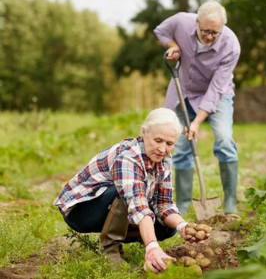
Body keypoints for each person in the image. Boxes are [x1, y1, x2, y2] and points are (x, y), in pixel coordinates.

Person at [53, 108, 210, 273]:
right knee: (124, 193)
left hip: (113, 206)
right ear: (144, 132)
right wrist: (152, 246)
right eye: (158, 140)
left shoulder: (164, 160)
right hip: (80, 211)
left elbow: (163, 203)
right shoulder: (128, 156)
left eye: (169, 144)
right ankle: (109, 250)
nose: (163, 149)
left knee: (167, 227)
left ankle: (141, 240)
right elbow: (138, 204)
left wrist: (182, 226)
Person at [153, 1, 241, 218]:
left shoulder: (231, 45)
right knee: (182, 144)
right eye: (205, 31)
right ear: (196, 22)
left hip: (217, 95)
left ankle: (230, 201)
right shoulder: (181, 21)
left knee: (224, 139)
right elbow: (161, 31)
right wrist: (173, 46)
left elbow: (216, 89)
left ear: (222, 28)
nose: (210, 36)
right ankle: (182, 203)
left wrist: (197, 122)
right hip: (184, 91)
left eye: (215, 32)